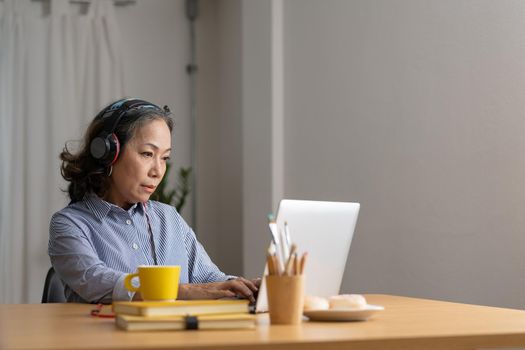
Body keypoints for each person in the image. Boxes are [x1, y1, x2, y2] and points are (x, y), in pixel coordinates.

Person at [49, 98, 260, 304]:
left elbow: (208, 279)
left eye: (165, 158)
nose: (158, 171)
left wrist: (246, 288)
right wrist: (186, 291)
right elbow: (98, 281)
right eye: (147, 154)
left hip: (175, 339)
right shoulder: (69, 224)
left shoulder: (169, 217)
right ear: (108, 154)